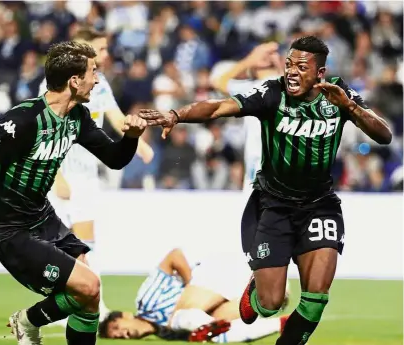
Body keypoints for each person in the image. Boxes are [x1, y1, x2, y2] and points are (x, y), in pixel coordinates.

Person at [137, 36, 392, 345]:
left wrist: (349, 106)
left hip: (320, 205)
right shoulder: (272, 93)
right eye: (289, 65)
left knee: (315, 299)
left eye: (301, 67)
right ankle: (256, 293)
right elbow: (220, 106)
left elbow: (384, 135)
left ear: (320, 73)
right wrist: (177, 115)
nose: (292, 72)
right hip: (274, 206)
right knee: (270, 304)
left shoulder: (338, 95)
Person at [0, 41, 147, 345]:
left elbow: (115, 160)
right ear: (74, 81)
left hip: (43, 218)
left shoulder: (77, 118)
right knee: (87, 286)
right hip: (9, 229)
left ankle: (27, 321)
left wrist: (130, 137)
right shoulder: (23, 120)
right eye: (93, 72)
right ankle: (27, 321)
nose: (98, 79)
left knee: (90, 297)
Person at [38, 27, 155, 324]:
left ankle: (88, 304)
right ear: (82, 49)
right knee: (67, 244)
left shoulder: (99, 85)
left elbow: (114, 116)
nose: (105, 54)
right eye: (100, 49)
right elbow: (44, 130)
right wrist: (56, 177)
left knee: (83, 243)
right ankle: (77, 305)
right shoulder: (55, 84)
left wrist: (137, 142)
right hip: (62, 172)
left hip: (87, 173)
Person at [99, 248, 289, 343]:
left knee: (182, 317)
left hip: (224, 272)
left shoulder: (146, 300)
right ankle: (284, 323)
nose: (120, 335)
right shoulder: (167, 334)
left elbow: (174, 255)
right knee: (218, 332)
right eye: (115, 337)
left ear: (125, 315)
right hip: (256, 289)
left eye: (116, 327)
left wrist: (190, 283)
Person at [211, 42, 283, 193]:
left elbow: (217, 82)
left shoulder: (252, 89)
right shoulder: (254, 87)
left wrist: (250, 59)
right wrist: (281, 64)